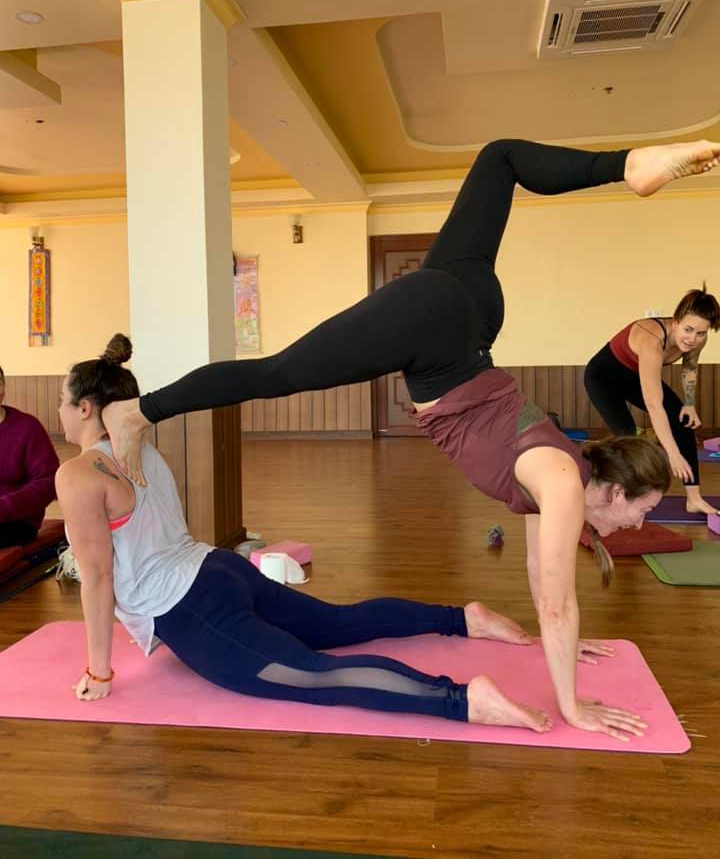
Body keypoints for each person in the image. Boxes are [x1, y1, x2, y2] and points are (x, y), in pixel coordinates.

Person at [104, 138, 720, 739]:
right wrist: (573, 706)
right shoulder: (560, 482)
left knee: (500, 157)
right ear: (613, 489)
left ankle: (627, 165)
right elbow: (557, 602)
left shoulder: (559, 479)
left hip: (468, 315)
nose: (633, 526)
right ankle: (140, 411)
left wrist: (565, 644)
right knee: (277, 374)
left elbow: (545, 581)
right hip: (439, 332)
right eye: (637, 512)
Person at [55, 335, 607, 736]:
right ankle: (461, 619)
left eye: (62, 399)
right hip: (218, 569)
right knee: (339, 623)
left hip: (188, 607)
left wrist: (99, 671)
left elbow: (98, 577)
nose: (59, 410)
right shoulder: (140, 447)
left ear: (84, 407)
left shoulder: (79, 474)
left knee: (313, 674)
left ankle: (461, 699)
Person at [585, 286, 720, 515]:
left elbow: (689, 367)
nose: (693, 338)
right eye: (688, 329)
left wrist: (689, 404)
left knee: (682, 420)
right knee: (627, 435)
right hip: (602, 377)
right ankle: (610, 494)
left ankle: (694, 498)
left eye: (701, 333)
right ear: (676, 321)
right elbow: (654, 405)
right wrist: (673, 454)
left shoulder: (696, 340)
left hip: (632, 374)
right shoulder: (652, 339)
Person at [0, 364, 59, 548]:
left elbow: (48, 482)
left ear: (3, 386)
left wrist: (5, 507)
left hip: (16, 521)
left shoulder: (28, 427)